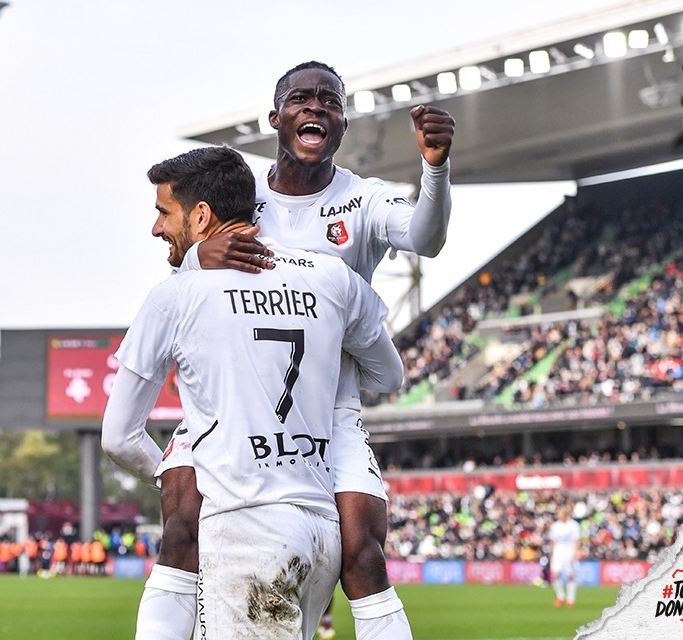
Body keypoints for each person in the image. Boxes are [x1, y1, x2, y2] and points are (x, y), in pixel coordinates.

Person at [140, 60, 455, 640]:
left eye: (329, 100)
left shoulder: (363, 201)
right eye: (301, 99)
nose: (315, 106)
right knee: (182, 525)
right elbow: (184, 238)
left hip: (330, 411)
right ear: (275, 119)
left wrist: (434, 169)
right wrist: (196, 256)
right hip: (232, 405)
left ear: (341, 124)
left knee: (362, 551)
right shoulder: (243, 195)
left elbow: (424, 239)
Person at [102, 145, 405, 638]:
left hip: (246, 529)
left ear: (201, 216)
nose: (156, 228)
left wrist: (179, 476)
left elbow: (118, 437)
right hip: (320, 533)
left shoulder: (177, 294)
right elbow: (389, 377)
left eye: (164, 212)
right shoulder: (332, 277)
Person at [548, 506, 581, 608]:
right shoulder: (555, 526)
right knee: (555, 575)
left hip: (569, 552)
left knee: (570, 576)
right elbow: (553, 541)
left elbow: (576, 540)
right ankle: (560, 596)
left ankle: (570, 599)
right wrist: (552, 553)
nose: (558, 516)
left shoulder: (573, 525)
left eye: (560, 514)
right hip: (558, 553)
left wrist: (575, 553)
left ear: (565, 514)